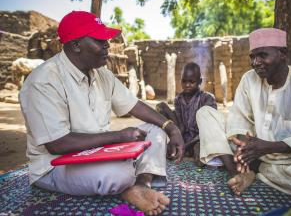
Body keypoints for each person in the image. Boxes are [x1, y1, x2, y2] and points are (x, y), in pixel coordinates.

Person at [19, 11, 185, 216]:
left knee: (156, 132)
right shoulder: (43, 81)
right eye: (99, 40)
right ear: (76, 45)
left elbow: (134, 105)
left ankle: (141, 186)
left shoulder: (101, 74)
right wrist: (119, 136)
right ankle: (128, 183)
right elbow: (56, 144)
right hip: (54, 166)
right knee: (119, 173)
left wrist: (171, 127)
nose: (107, 44)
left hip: (98, 152)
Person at [196, 28, 291, 201]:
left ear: (283, 54)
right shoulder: (249, 79)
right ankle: (238, 172)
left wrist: (269, 147)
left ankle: (254, 171)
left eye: (262, 55)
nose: (255, 62)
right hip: (248, 150)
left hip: (287, 161)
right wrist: (244, 145)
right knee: (205, 113)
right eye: (252, 57)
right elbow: (239, 117)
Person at [156, 62, 217, 165]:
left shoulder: (207, 98)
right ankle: (181, 148)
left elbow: (211, 126)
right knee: (161, 106)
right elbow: (181, 125)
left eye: (191, 81)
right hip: (183, 136)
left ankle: (195, 149)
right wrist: (176, 138)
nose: (187, 85)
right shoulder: (178, 99)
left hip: (200, 137)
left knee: (200, 158)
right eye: (184, 81)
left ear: (199, 81)